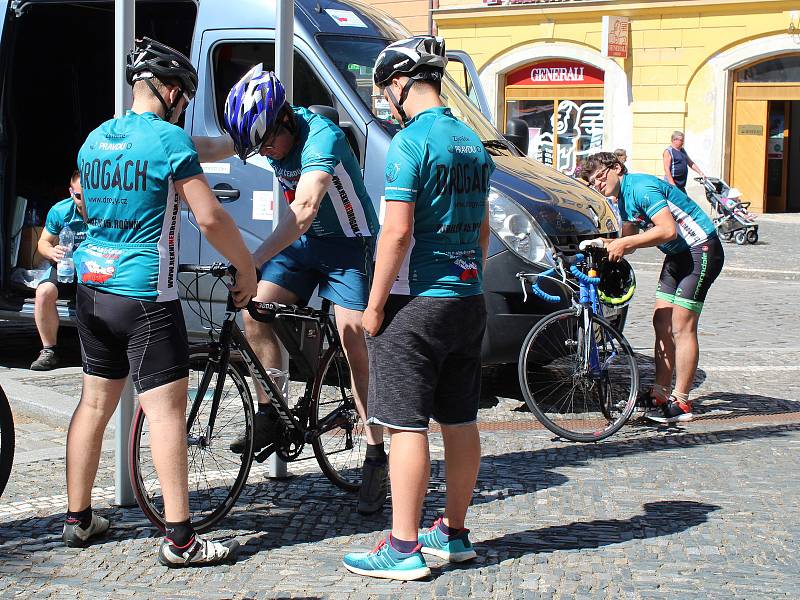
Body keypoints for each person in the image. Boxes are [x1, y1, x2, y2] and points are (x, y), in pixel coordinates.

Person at [64, 37, 257, 567]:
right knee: (167, 415)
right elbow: (211, 216)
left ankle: (78, 519)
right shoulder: (169, 141)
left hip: (92, 288)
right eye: (184, 96)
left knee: (94, 404)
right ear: (171, 91)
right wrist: (246, 266)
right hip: (147, 294)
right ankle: (180, 540)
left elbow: (199, 150)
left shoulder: (95, 139)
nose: (183, 106)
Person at [192, 66, 387, 515]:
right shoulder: (265, 131)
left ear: (283, 120)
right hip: (302, 246)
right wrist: (167, 146)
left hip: (347, 244)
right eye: (257, 148)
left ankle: (376, 452)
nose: (264, 153)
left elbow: (303, 207)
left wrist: (253, 259)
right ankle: (271, 413)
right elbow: (213, 146)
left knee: (352, 335)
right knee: (255, 310)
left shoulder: (324, 138)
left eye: (265, 144)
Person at [342, 36, 493, 581]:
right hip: (466, 297)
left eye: (385, 90)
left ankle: (402, 547)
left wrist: (375, 306)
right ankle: (452, 532)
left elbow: (397, 231)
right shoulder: (471, 141)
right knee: (460, 419)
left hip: (418, 302)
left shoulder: (409, 143)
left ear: (401, 83)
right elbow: (482, 229)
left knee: (406, 425)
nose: (385, 100)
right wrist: (463, 274)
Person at [584, 152, 724, 424]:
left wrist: (625, 244)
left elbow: (668, 230)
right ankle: (660, 393)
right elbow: (628, 240)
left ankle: (682, 402)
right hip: (677, 255)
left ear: (616, 168)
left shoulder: (640, 186)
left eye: (600, 177)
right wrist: (605, 243)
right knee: (661, 320)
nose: (599, 185)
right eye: (593, 183)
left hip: (701, 250)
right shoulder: (622, 198)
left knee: (681, 326)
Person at [30, 171, 87, 371]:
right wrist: (52, 252)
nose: (83, 201)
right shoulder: (60, 211)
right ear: (71, 192)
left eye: (88, 195)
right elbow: (43, 242)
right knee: (44, 292)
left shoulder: (105, 209)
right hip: (66, 266)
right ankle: (48, 350)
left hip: (93, 268)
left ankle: (96, 351)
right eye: (78, 196)